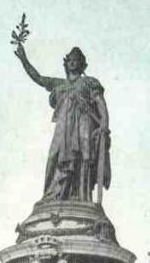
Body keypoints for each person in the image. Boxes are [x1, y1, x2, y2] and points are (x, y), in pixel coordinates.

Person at [15, 43, 111, 203]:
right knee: (55, 156)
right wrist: (24, 60)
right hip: (63, 127)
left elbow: (101, 104)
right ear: (66, 63)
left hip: (84, 123)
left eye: (77, 60)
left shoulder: (89, 82)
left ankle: (82, 197)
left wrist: (104, 126)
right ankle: (53, 195)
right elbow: (39, 78)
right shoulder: (59, 84)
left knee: (83, 158)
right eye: (70, 60)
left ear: (82, 64)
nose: (73, 62)